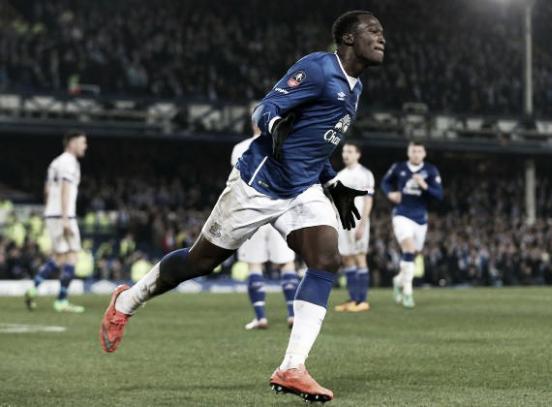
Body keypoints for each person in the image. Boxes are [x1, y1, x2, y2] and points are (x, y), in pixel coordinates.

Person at [99, 10, 384, 403]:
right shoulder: (319, 68)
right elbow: (265, 108)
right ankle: (126, 301)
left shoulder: (355, 88)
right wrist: (274, 125)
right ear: (348, 39)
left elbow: (315, 145)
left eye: (381, 32)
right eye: (372, 31)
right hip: (259, 182)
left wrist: (331, 181)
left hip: (300, 190)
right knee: (199, 262)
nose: (381, 37)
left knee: (326, 259)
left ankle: (291, 368)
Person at [231, 115, 298, 330]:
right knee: (287, 262)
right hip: (280, 210)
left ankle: (261, 317)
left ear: (253, 123)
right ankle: (292, 315)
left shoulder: (240, 148)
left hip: (252, 213)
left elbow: (236, 183)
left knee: (254, 264)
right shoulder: (284, 145)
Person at [25, 131, 88, 313]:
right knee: (73, 255)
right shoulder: (69, 162)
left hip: (51, 213)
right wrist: (66, 217)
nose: (85, 146)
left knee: (59, 257)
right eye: (83, 142)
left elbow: (46, 190)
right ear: (72, 143)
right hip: (64, 214)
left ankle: (33, 288)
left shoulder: (55, 162)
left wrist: (49, 211)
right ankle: (61, 301)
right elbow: (66, 189)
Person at [381, 141, 443, 309]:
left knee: (412, 255)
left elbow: (439, 195)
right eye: (413, 151)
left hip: (421, 218)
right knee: (408, 249)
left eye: (419, 151)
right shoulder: (399, 167)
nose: (416, 154)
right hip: (401, 215)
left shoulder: (430, 170)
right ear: (409, 153)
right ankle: (408, 292)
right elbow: (385, 182)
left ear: (424, 154)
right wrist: (390, 193)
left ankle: (398, 280)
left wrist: (425, 186)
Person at [333, 142, 375, 313]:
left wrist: (363, 225)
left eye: (350, 151)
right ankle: (353, 299)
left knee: (360, 257)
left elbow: (368, 200)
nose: (346, 155)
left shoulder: (365, 174)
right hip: (343, 221)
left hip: (357, 221)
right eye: (344, 151)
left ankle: (362, 300)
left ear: (358, 154)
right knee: (347, 258)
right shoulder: (339, 175)